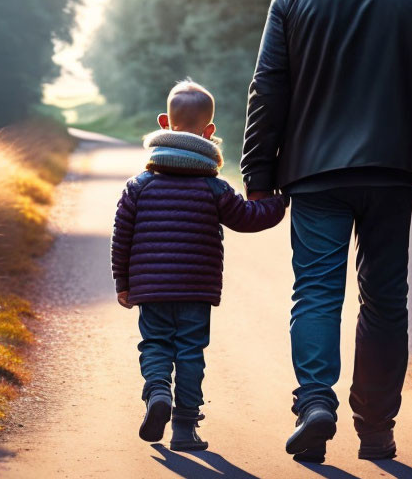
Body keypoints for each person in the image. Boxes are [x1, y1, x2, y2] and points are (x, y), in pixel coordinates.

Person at [241, 0, 412, 463]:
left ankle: (315, 403)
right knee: (385, 299)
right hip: (393, 170)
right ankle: (377, 428)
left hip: (314, 173)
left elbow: (268, 89)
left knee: (315, 291)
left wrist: (258, 174)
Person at [112, 80, 287, 451]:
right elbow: (247, 218)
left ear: (164, 123)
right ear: (209, 132)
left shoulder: (138, 186)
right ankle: (184, 429)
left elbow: (121, 237)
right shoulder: (214, 188)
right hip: (195, 287)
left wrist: (123, 283)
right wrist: (280, 201)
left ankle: (158, 391)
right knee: (190, 350)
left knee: (156, 344)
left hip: (152, 289)